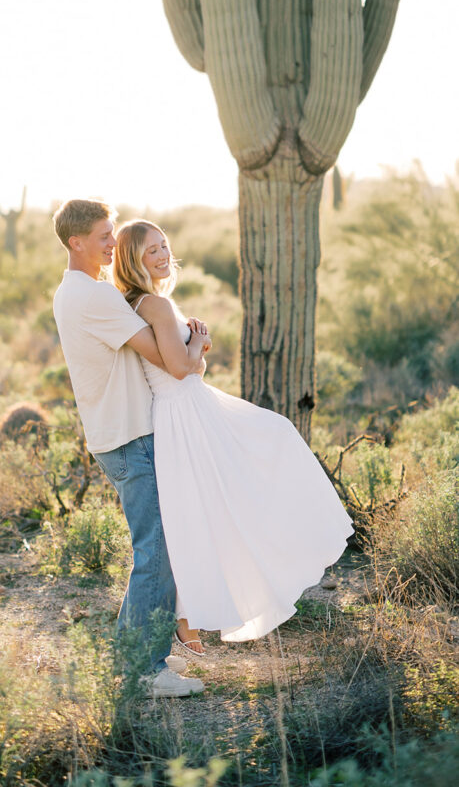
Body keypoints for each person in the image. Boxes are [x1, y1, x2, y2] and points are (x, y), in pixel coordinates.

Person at [113, 219, 354, 655]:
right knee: (261, 453)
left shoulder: (139, 304)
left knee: (200, 511)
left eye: (165, 245)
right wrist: (199, 342)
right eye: (152, 250)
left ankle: (188, 618)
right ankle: (191, 616)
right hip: (186, 412)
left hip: (181, 410)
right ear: (133, 259)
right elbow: (180, 367)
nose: (164, 254)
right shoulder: (157, 306)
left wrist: (194, 354)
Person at [51, 199, 210, 697]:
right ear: (76, 242)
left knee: (158, 547)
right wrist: (196, 345)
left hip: (117, 434)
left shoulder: (72, 291)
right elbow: (165, 359)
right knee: (156, 552)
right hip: (129, 436)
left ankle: (143, 657)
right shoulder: (94, 297)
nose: (112, 242)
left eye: (113, 232)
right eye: (103, 235)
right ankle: (142, 671)